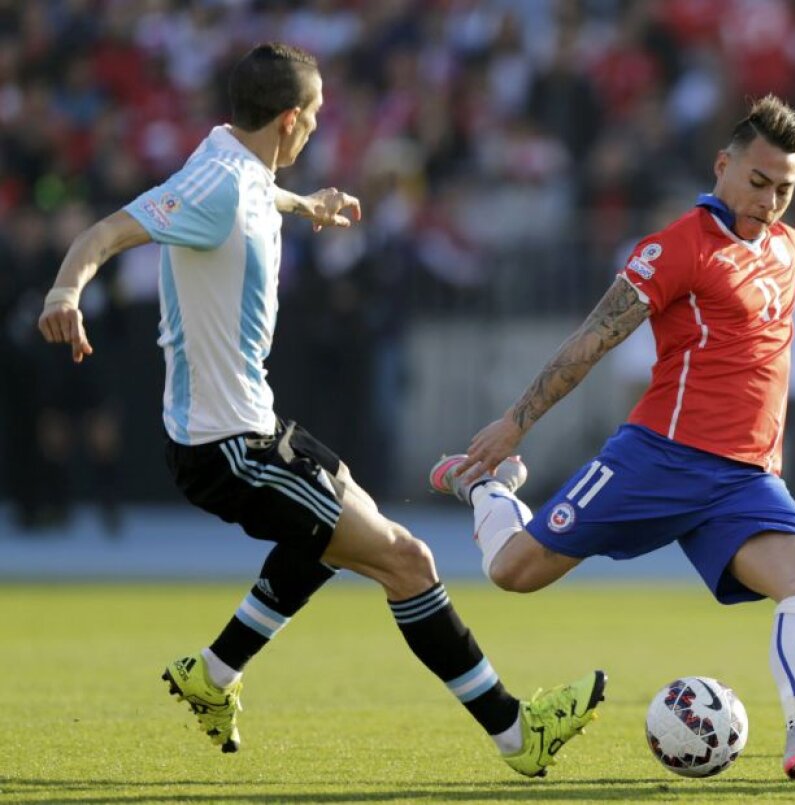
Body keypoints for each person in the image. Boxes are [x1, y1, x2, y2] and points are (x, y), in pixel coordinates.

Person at [37, 43, 603, 776]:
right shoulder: (213, 185)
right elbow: (105, 232)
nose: (315, 131)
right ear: (289, 120)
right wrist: (63, 291)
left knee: (327, 538)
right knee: (407, 559)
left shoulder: (235, 164)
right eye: (315, 117)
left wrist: (308, 204)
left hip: (249, 429)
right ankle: (517, 734)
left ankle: (211, 674)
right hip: (229, 446)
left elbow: (253, 194)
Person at [430, 95, 795, 781]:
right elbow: (593, 339)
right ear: (723, 165)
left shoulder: (786, 246)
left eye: (784, 189)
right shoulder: (677, 249)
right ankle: (485, 484)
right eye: (758, 182)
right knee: (512, 572)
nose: (769, 201)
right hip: (657, 458)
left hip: (745, 479)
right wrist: (515, 423)